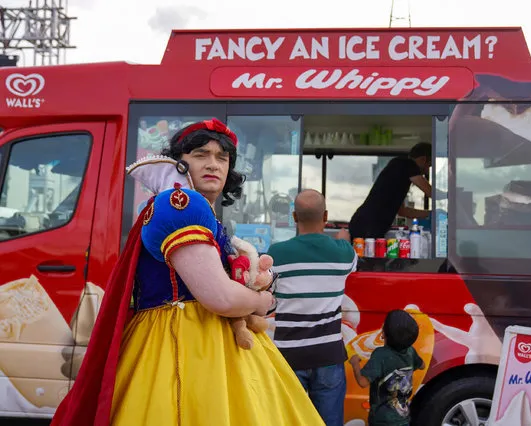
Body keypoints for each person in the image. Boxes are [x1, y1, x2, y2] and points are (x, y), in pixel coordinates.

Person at [50, 118, 325, 426]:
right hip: (186, 343)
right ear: (179, 162)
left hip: (203, 343)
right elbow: (220, 297)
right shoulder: (180, 203)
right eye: (200, 154)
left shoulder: (195, 209)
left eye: (222, 158)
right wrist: (263, 303)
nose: (214, 164)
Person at [267, 189, 357, 426]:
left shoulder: (276, 254)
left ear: (295, 217)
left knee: (288, 420)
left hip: (289, 356)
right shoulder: (343, 253)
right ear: (325, 216)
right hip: (328, 355)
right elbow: (351, 259)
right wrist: (343, 237)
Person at [349, 309, 425, 426]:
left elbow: (363, 382)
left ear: (383, 334)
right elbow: (422, 365)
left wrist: (355, 363)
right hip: (403, 417)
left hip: (381, 420)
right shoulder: (411, 351)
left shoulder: (380, 355)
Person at [349, 142, 434, 239]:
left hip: (364, 223)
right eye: (429, 166)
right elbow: (431, 193)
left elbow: (404, 212)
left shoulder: (400, 173)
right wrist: (451, 195)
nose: (427, 171)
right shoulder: (408, 164)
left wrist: (431, 213)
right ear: (423, 160)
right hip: (369, 225)